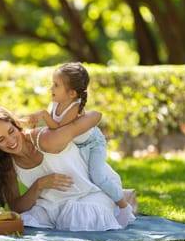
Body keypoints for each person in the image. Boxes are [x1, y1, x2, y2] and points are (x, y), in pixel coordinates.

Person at [0, 106, 135, 231]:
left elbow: (86, 121)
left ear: (15, 125)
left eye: (11, 131)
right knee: (25, 221)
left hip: (92, 192)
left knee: (78, 217)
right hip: (54, 203)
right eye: (1, 139)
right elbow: (16, 207)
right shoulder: (7, 165)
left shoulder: (44, 138)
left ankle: (121, 201)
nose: (11, 140)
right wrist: (39, 185)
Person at [26, 62, 137, 213]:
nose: (51, 88)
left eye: (56, 85)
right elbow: (55, 128)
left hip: (93, 144)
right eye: (53, 83)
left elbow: (58, 129)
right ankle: (110, 198)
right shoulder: (56, 102)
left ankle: (124, 206)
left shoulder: (74, 107)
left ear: (72, 93)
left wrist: (43, 115)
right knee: (86, 178)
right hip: (79, 145)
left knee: (98, 177)